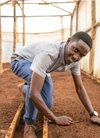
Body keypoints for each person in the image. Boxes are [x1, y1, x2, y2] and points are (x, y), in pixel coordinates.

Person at [10, 31, 100, 138]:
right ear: (68, 41)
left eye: (81, 55)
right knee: (33, 85)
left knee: (47, 103)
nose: (76, 57)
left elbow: (80, 88)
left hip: (42, 68)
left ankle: (24, 88)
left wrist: (92, 113)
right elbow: (34, 94)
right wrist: (54, 118)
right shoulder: (49, 53)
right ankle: (29, 124)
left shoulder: (75, 61)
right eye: (75, 50)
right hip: (20, 60)